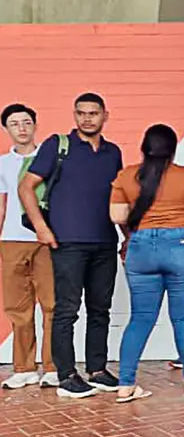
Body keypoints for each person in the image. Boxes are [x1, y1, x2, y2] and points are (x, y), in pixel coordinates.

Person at [17, 93, 123, 399]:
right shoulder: (57, 145)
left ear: (105, 115)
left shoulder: (113, 152)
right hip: (68, 242)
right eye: (81, 113)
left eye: (93, 113)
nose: (87, 118)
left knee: (100, 309)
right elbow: (26, 187)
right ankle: (66, 375)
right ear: (74, 115)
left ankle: (97, 370)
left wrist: (127, 235)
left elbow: (118, 197)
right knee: (66, 310)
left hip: (105, 241)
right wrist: (41, 228)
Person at [109, 125, 184, 401]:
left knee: (140, 318)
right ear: (173, 150)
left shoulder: (126, 176)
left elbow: (117, 216)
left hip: (141, 248)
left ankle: (126, 384)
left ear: (144, 148)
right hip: (180, 246)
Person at [0, 104, 58, 389]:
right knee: (17, 306)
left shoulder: (51, 160)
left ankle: (53, 366)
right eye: (14, 123)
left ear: (35, 125)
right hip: (11, 240)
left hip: (45, 239)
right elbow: (2, 205)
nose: (21, 128)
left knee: (52, 305)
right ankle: (24, 368)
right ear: (6, 129)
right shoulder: (2, 164)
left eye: (26, 122)